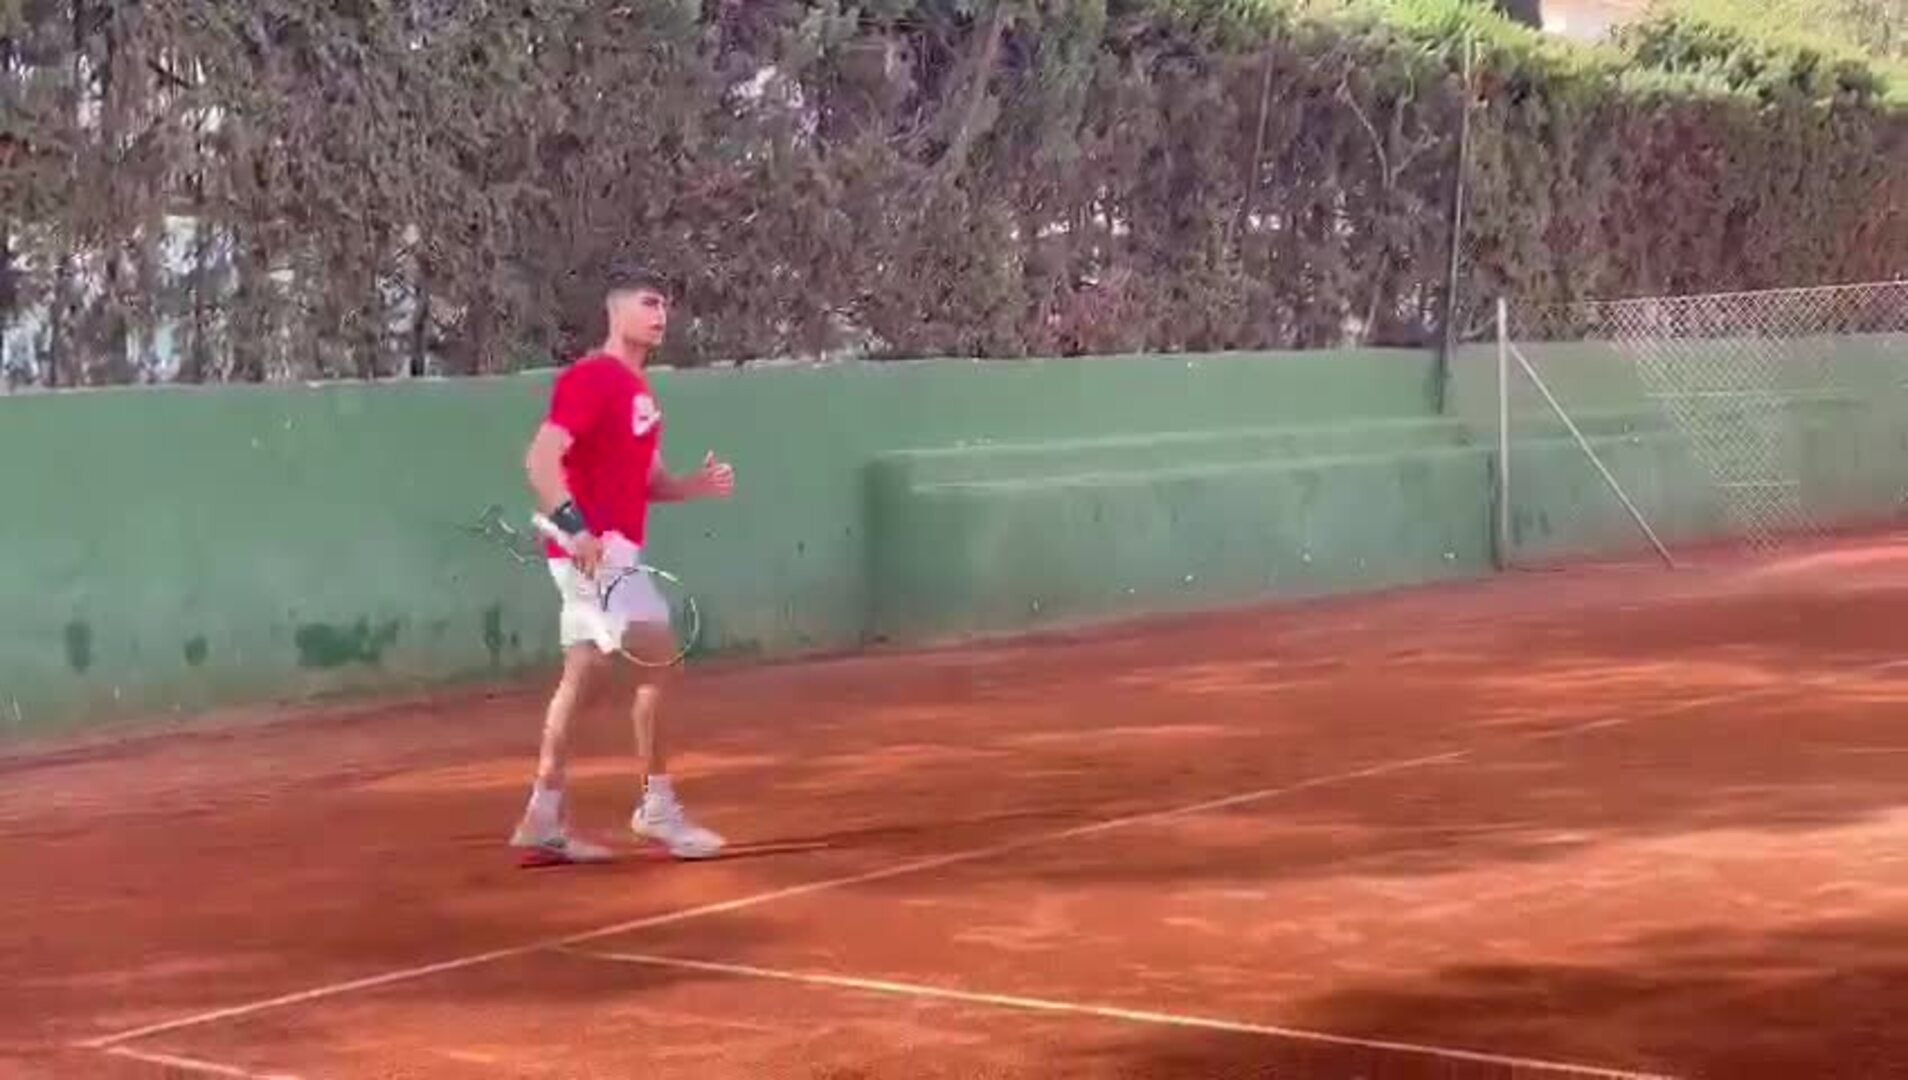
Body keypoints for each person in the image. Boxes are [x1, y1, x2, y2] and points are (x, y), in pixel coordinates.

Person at [510, 265, 735, 865]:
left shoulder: (641, 392)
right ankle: (657, 806)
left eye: (666, 305)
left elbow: (647, 481)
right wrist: (578, 529)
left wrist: (694, 487)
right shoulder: (593, 378)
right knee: (660, 658)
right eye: (649, 303)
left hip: (610, 552)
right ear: (616, 312)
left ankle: (543, 816)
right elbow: (540, 460)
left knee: (581, 679)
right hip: (595, 555)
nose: (662, 314)